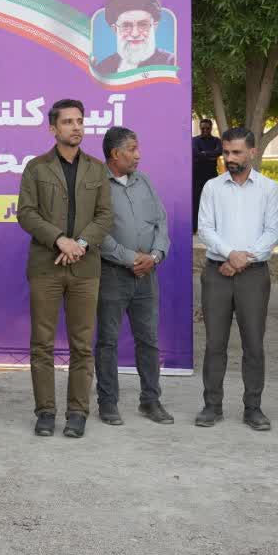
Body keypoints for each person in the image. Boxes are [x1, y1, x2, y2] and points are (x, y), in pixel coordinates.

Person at [16, 99, 115, 438]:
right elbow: (26, 213)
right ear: (53, 128)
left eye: (79, 121)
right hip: (46, 266)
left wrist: (80, 244)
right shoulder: (36, 168)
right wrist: (59, 240)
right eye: (68, 121)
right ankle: (45, 411)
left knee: (82, 345)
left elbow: (105, 215)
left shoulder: (97, 169)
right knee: (42, 344)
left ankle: (77, 412)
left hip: (85, 269)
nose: (76, 127)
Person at [196, 127, 278, 431]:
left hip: (253, 275)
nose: (229, 158)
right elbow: (205, 229)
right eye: (226, 152)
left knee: (253, 344)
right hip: (217, 273)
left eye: (236, 152)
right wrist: (231, 254)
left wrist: (243, 259)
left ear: (252, 153)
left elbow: (272, 232)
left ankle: (253, 408)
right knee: (214, 343)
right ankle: (212, 406)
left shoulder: (269, 189)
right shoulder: (212, 187)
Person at [94, 126, 173, 425]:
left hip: (147, 276)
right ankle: (107, 403)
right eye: (132, 149)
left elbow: (161, 222)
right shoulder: (97, 184)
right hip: (113, 275)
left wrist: (155, 256)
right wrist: (130, 258)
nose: (138, 155)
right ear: (115, 154)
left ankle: (150, 401)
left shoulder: (145, 181)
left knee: (149, 340)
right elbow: (96, 231)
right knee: (108, 342)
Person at [92, 0, 177, 76]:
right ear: (115, 29)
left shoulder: (171, 63)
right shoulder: (103, 69)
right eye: (126, 26)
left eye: (143, 25)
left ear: (154, 27)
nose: (135, 33)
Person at [192, 119, 221, 229]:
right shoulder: (194, 140)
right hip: (197, 175)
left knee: (212, 201)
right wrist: (210, 156)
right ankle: (195, 226)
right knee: (196, 200)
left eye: (207, 128)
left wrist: (203, 154)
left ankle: (212, 226)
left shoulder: (216, 140)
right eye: (202, 128)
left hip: (211, 175)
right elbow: (195, 153)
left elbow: (219, 151)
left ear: (211, 128)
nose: (205, 130)